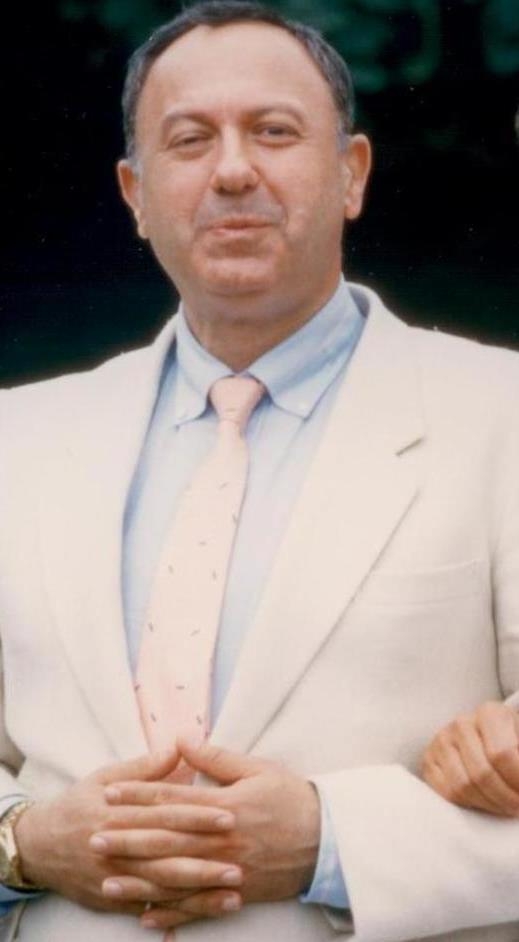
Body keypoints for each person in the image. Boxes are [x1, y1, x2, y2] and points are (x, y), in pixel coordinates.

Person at [1, 2, 519, 940]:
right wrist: (23, 844)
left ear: (352, 173)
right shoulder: (19, 440)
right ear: (134, 193)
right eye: (189, 139)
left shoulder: (499, 418)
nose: (233, 170)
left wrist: (332, 843)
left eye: (274, 132)